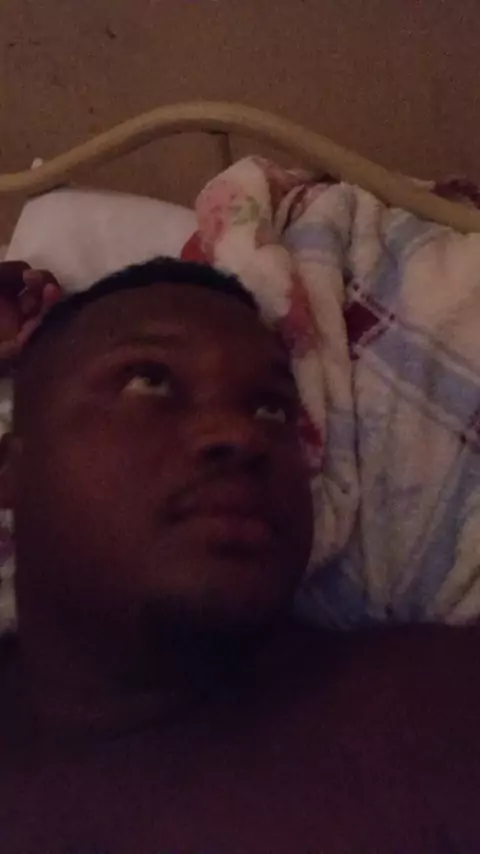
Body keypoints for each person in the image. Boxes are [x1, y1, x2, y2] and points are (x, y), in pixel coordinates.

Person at [0, 257, 479, 854]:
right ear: (11, 468)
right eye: (148, 382)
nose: (241, 434)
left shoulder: (435, 720)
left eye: (272, 409)